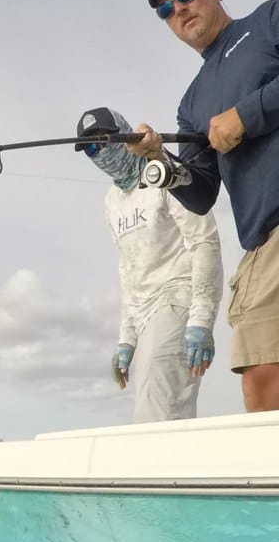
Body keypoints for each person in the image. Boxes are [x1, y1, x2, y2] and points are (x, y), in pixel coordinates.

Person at [128, 0, 279, 411]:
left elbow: (245, 118)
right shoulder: (191, 102)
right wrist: (160, 160)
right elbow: (201, 193)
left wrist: (245, 116)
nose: (179, 9)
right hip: (264, 246)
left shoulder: (268, 21)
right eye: (165, 10)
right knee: (262, 382)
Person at [77, 106, 223, 423]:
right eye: (90, 148)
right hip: (142, 312)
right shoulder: (111, 201)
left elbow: (204, 241)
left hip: (177, 296)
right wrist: (126, 339)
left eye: (104, 140)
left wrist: (201, 319)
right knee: (147, 406)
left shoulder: (165, 169)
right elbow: (127, 270)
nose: (99, 151)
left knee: (159, 405)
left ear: (126, 134)